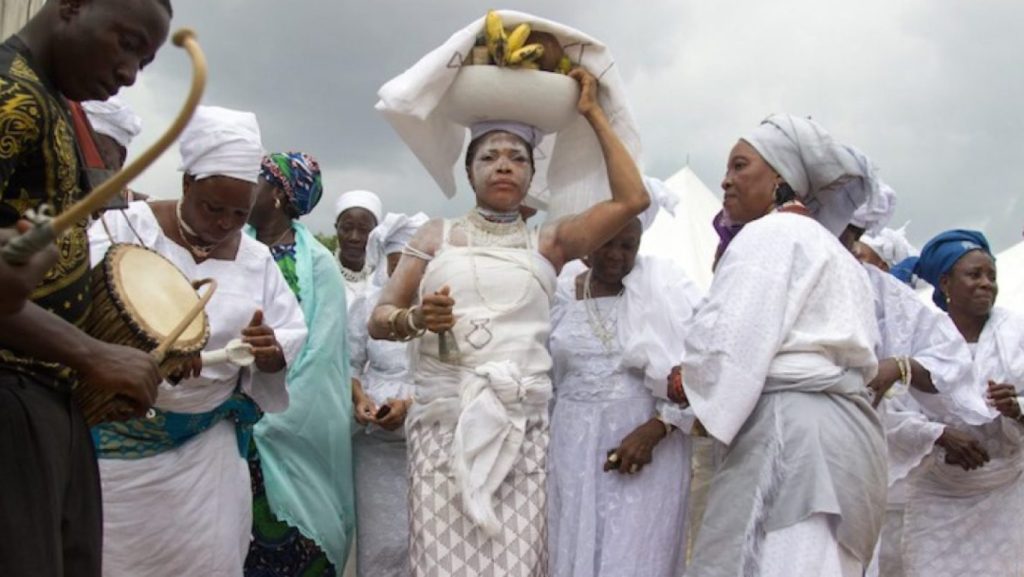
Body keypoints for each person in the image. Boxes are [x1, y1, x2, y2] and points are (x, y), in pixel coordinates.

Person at [368, 66, 649, 577]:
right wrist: (416, 319)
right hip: (442, 433)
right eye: (490, 157)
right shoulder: (437, 237)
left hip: (522, 435)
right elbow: (379, 319)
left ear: (530, 175)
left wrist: (591, 114)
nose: (504, 166)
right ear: (470, 170)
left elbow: (633, 200)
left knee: (517, 567)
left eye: (517, 158)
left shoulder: (550, 243)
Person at [87, 106, 308, 577]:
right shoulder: (125, 228)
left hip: (205, 458)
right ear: (187, 184)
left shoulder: (257, 259)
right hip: (115, 457)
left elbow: (289, 333)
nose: (226, 222)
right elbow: (84, 310)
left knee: (204, 560)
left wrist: (270, 352)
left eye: (239, 213)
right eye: (213, 207)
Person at [0, 1, 170, 575]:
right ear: (71, 6)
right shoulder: (11, 97)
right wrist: (92, 354)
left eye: (144, 62)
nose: (129, 74)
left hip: (46, 395)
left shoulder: (51, 103)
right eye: (126, 44)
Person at [680, 114, 887, 577]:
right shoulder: (836, 252)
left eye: (739, 166)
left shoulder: (769, 235)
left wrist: (685, 380)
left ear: (779, 178)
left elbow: (729, 347)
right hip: (850, 444)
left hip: (792, 443)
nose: (725, 180)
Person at [547, 194, 701, 577]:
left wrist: (658, 428)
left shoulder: (664, 290)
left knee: (631, 555)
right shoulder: (560, 293)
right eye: (607, 241)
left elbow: (703, 373)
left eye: (628, 245)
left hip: (644, 448)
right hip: (570, 449)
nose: (616, 254)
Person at [244, 152, 355, 575]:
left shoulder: (320, 266)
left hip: (287, 425)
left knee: (296, 542)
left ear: (276, 195)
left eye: (257, 180)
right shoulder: (239, 248)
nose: (247, 188)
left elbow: (321, 353)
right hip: (233, 419)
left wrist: (272, 414)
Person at [899, 230, 1024, 577]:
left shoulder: (1017, 333)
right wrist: (938, 434)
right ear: (945, 283)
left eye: (992, 276)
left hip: (1008, 494)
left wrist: (1018, 408)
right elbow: (892, 412)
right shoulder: (920, 339)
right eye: (974, 275)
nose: (986, 284)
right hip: (940, 495)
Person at [348, 211, 428, 577]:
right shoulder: (367, 306)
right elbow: (348, 365)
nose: (406, 280)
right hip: (375, 448)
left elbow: (456, 375)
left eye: (415, 269)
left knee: (426, 539)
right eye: (397, 269)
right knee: (381, 542)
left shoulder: (443, 310)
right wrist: (360, 399)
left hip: (429, 441)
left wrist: (411, 405)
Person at [335, 189, 383, 310]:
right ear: (337, 229)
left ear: (376, 233)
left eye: (363, 230)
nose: (354, 237)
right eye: (347, 228)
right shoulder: (320, 273)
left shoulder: (382, 281)